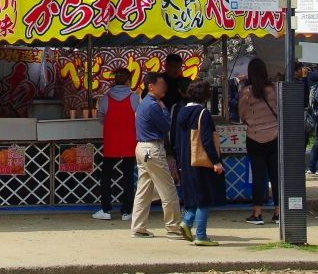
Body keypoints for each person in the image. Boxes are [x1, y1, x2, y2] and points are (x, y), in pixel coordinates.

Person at [130, 72, 184, 239]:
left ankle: (138, 227)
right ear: (151, 86)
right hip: (152, 148)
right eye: (161, 85)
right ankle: (173, 227)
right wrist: (164, 109)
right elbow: (166, 125)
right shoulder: (154, 105)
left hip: (142, 148)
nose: (164, 88)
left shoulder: (144, 103)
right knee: (168, 188)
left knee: (144, 189)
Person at [173, 80, 224, 246]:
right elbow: (207, 140)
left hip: (186, 161)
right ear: (206, 96)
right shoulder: (203, 113)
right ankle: (201, 235)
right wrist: (216, 162)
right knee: (204, 198)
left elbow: (176, 138)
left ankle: (186, 221)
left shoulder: (181, 112)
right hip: (201, 161)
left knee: (194, 195)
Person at [93, 68, 138, 221]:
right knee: (128, 177)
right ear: (128, 81)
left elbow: (100, 118)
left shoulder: (105, 98)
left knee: (106, 177)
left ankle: (106, 209)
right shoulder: (134, 97)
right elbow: (139, 118)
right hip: (129, 141)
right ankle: (127, 211)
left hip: (111, 141)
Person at [238, 57, 279, 225]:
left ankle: (257, 213)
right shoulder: (274, 89)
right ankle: (278, 212)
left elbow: (242, 115)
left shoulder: (247, 93)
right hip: (275, 135)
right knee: (276, 176)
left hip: (254, 137)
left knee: (258, 176)